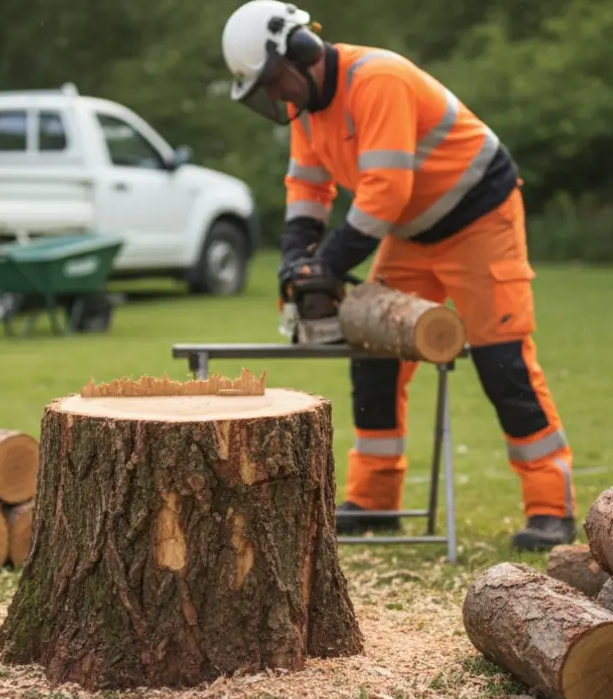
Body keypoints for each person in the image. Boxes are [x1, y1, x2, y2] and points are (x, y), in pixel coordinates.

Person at [220, 0, 576, 551]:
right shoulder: (310, 113)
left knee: (502, 361)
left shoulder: (377, 79)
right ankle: (374, 500)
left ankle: (550, 509)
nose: (277, 96)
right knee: (374, 355)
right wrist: (296, 256)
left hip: (479, 219)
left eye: (275, 81)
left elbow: (387, 189)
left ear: (302, 52)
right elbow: (308, 190)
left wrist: (329, 263)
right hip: (410, 232)